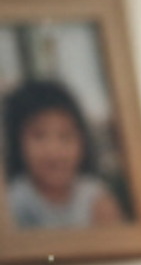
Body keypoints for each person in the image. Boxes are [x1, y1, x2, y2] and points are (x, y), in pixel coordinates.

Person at [3, 77, 126, 230]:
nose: (54, 151)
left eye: (65, 136)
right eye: (39, 136)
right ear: (18, 143)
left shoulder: (95, 200)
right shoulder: (12, 203)